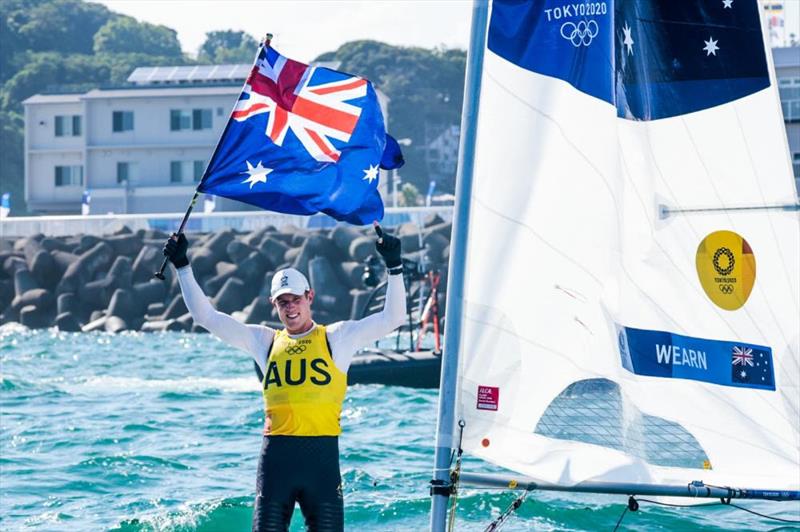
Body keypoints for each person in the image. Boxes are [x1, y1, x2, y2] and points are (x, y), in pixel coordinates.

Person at [162, 223, 405, 532]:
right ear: (273, 304)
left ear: (310, 296)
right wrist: (182, 266)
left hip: (322, 461)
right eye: (283, 301)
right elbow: (206, 317)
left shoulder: (338, 337)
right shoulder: (264, 341)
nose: (291, 308)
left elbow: (393, 318)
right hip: (277, 461)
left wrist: (394, 267)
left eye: (296, 299)